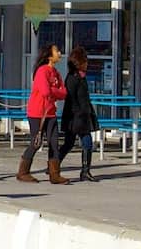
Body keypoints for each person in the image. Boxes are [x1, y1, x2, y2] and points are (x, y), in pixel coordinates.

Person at [18, 43, 68, 184]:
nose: (59, 53)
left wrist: (53, 90)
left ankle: (54, 173)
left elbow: (63, 93)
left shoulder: (56, 73)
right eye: (57, 51)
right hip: (37, 112)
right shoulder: (42, 71)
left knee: (54, 142)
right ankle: (23, 172)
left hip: (51, 112)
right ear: (49, 55)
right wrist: (54, 90)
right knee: (36, 142)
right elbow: (45, 91)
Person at [54, 46, 101, 182]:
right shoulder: (72, 78)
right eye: (84, 61)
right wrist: (79, 113)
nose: (87, 63)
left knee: (70, 143)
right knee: (85, 141)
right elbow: (71, 98)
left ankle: (83, 170)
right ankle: (56, 166)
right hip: (76, 116)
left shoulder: (81, 77)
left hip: (83, 115)